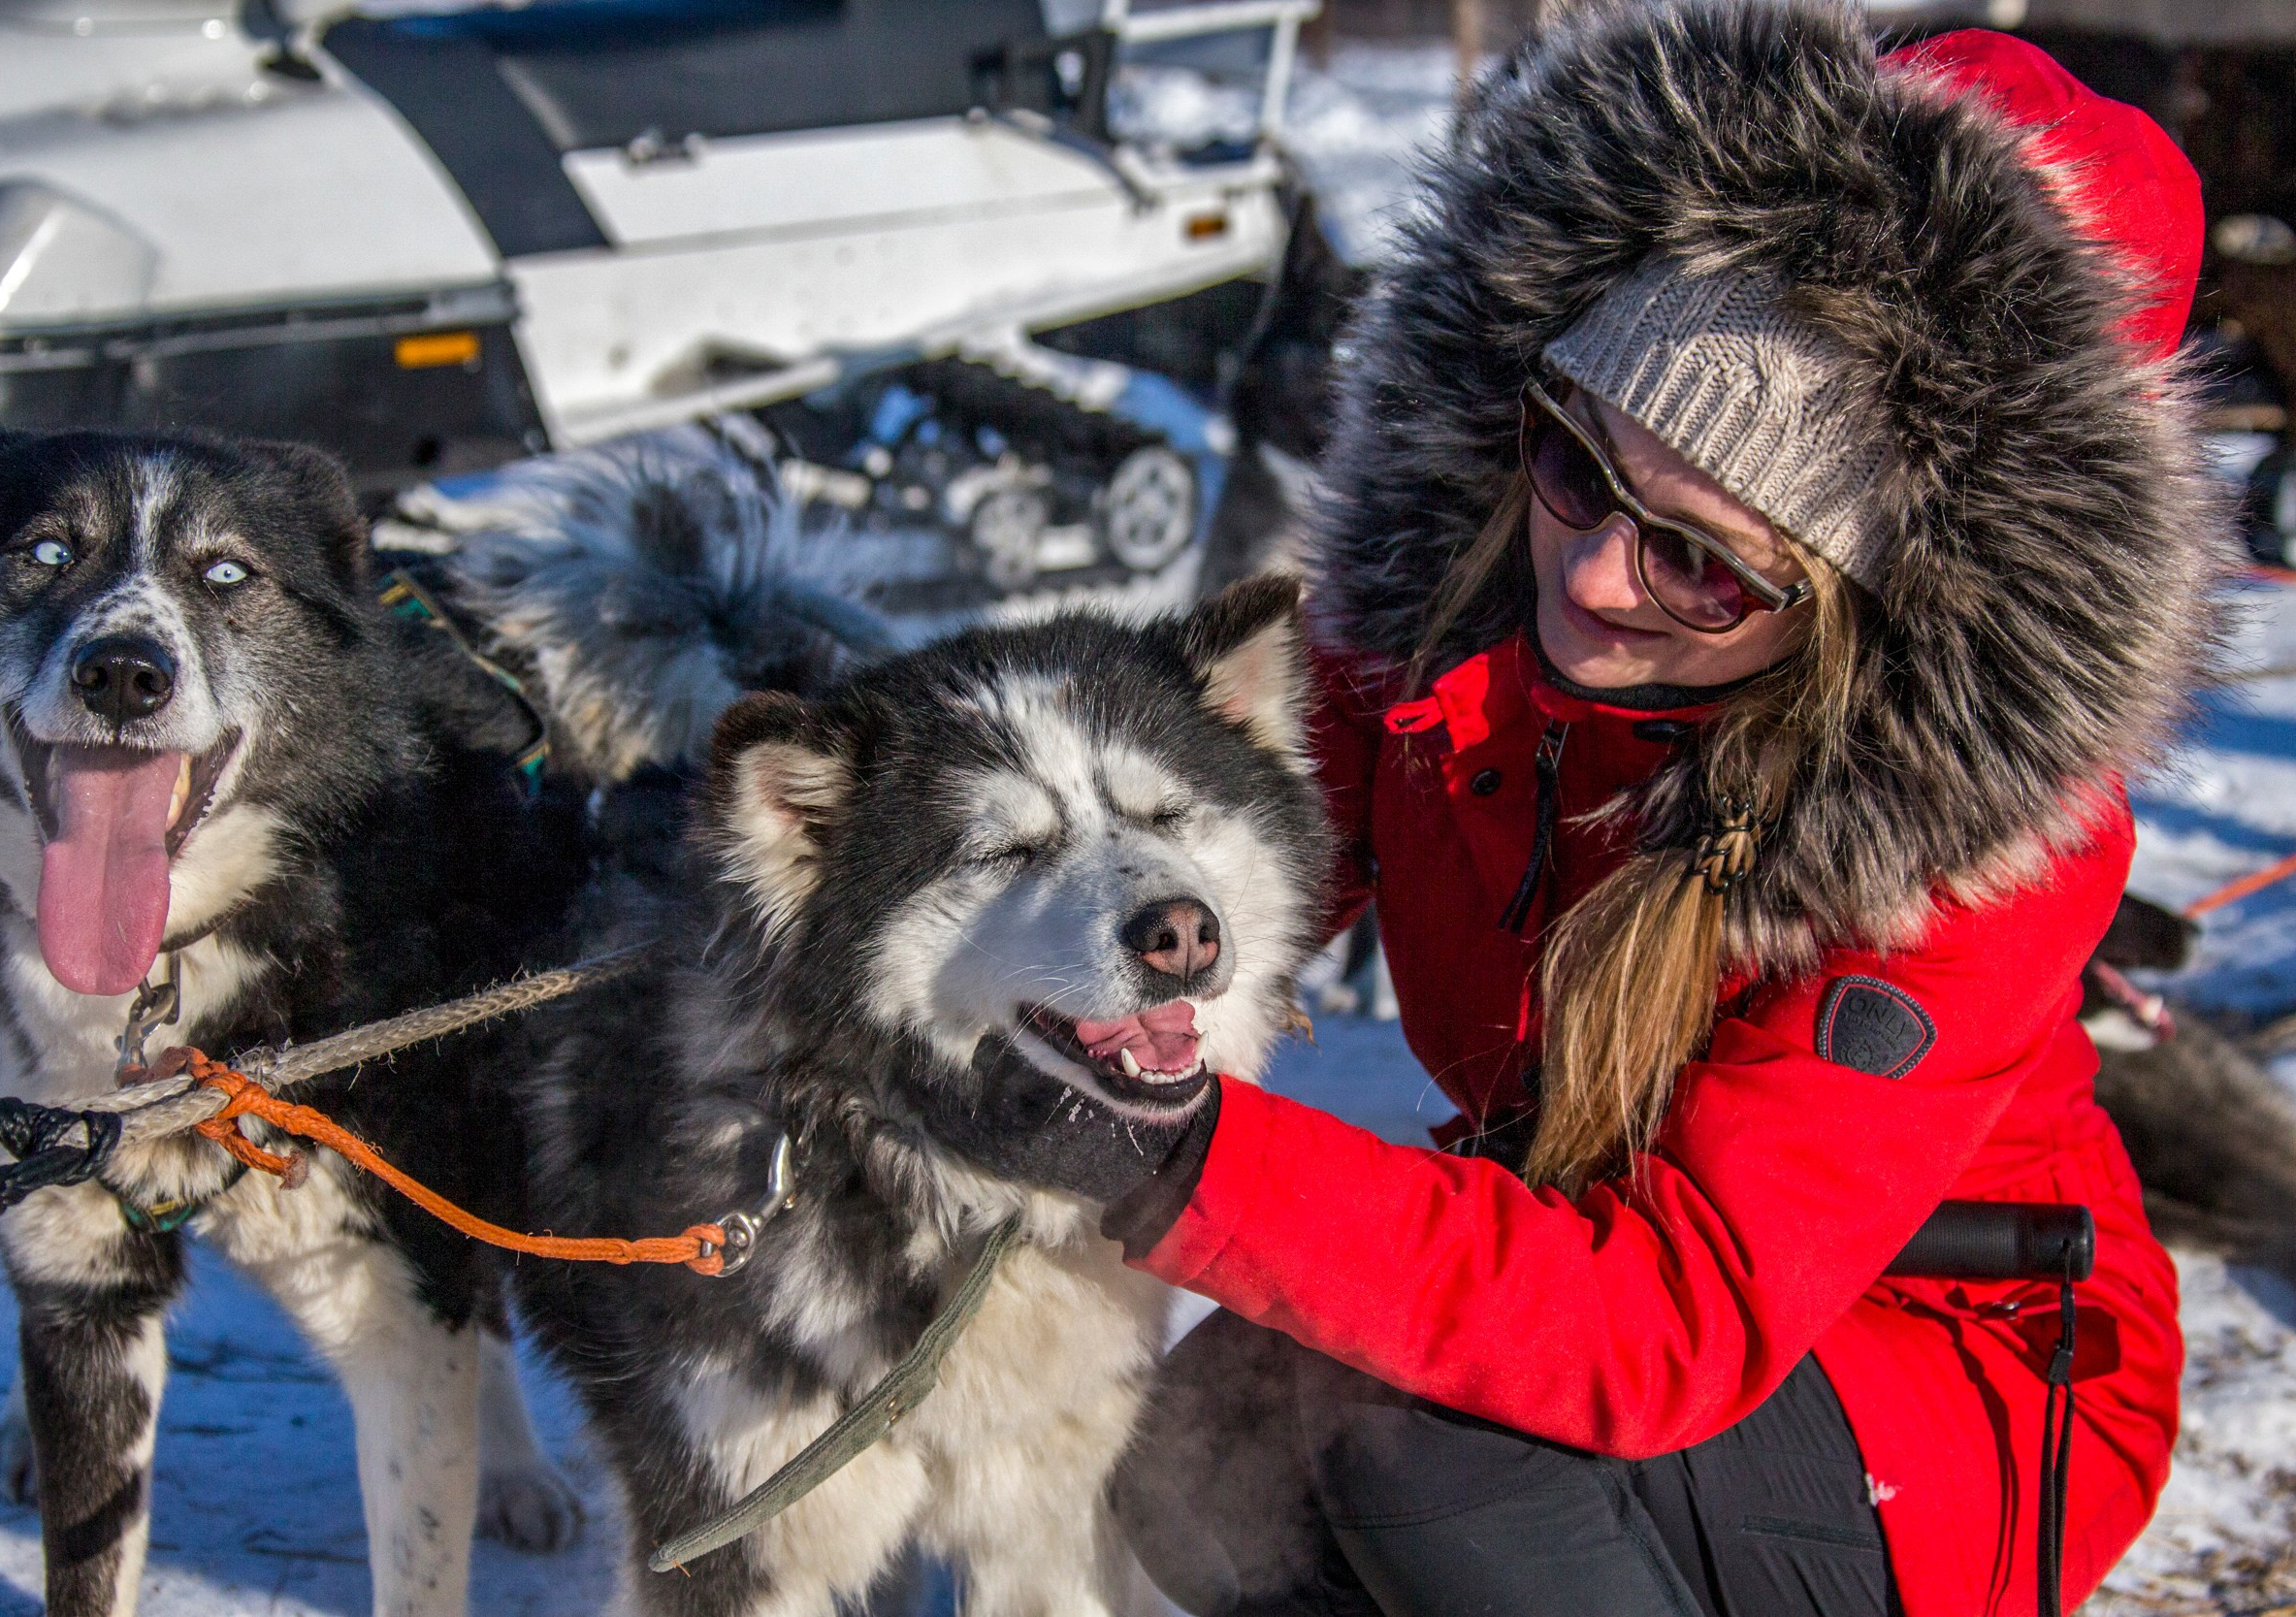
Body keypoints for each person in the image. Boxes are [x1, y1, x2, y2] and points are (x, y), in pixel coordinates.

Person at [915, 3, 2230, 1613]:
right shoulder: (1450, 631)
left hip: (1952, 1370)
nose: (1592, 572)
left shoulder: (1961, 864)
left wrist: (1168, 1157)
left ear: (1857, 604)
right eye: (1577, 460)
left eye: (1699, 554)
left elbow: (1667, 1321)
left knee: (1423, 1446)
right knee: (1206, 1449)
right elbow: (1210, 852)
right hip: (1624, 1291)